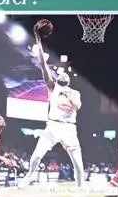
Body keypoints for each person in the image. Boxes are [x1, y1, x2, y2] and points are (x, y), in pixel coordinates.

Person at [20, 40, 85, 189]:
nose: (62, 77)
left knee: (79, 165)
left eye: (65, 77)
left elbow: (77, 106)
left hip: (69, 129)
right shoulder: (52, 87)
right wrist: (39, 42)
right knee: (37, 155)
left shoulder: (75, 93)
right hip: (52, 126)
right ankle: (29, 175)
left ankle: (80, 191)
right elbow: (43, 66)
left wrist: (69, 96)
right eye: (60, 77)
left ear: (69, 80)